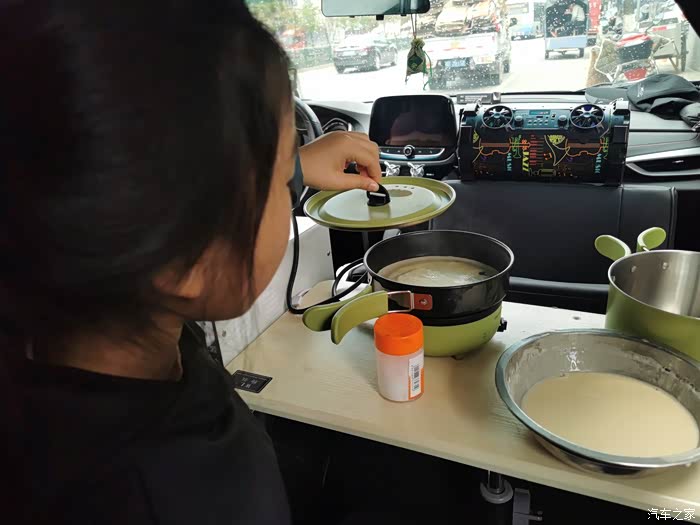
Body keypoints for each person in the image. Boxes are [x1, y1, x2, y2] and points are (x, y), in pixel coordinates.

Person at [0, 1, 381, 524]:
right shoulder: (206, 492)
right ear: (189, 262)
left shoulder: (62, 332)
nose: (289, 185)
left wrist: (292, 165)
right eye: (277, 180)